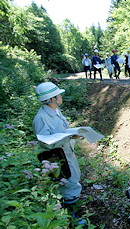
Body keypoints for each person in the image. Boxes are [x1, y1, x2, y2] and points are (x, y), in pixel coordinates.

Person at [32, 82, 84, 223]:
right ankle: (72, 217)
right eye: (59, 94)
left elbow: (61, 130)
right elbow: (44, 142)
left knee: (74, 178)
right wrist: (65, 137)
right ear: (53, 99)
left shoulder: (55, 112)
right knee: (69, 182)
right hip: (58, 157)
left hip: (67, 151)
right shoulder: (41, 118)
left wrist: (71, 134)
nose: (61, 96)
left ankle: (70, 211)